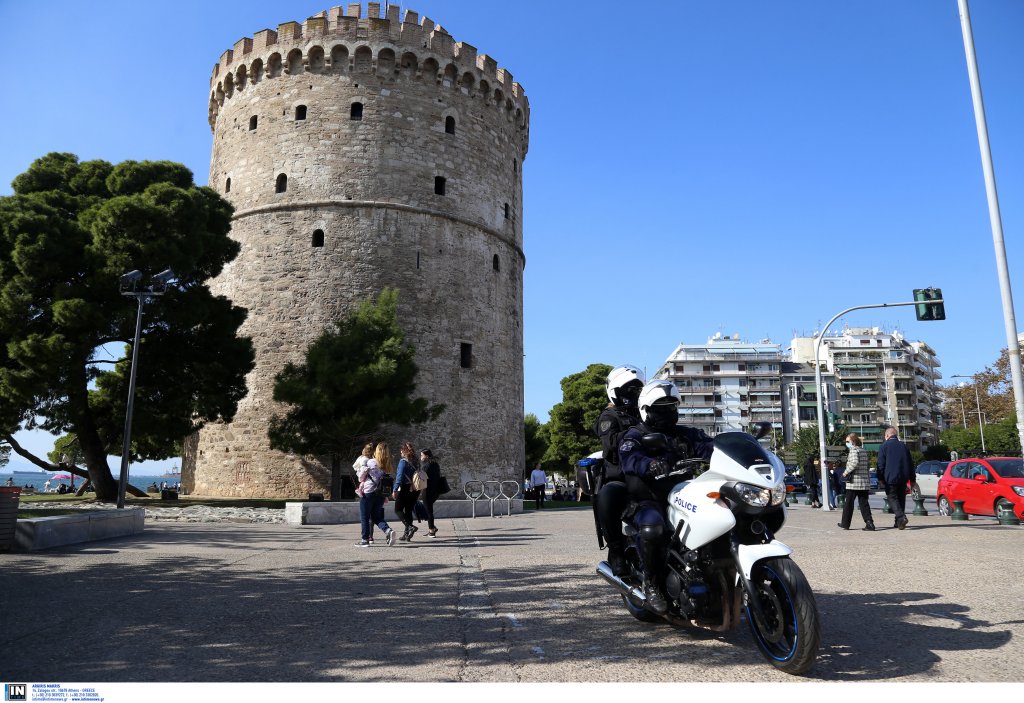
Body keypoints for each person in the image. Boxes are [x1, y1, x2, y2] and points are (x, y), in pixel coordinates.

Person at [618, 380, 714, 614]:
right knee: (653, 528)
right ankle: (652, 583)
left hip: (685, 495)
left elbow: (711, 446)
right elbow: (629, 458)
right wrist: (650, 464)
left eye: (672, 406)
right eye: (661, 408)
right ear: (646, 410)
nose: (668, 412)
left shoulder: (686, 434)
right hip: (649, 499)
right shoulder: (635, 435)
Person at [592, 365, 645, 575]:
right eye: (629, 389)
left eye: (637, 389)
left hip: (649, 473)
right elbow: (611, 442)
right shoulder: (609, 416)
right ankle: (615, 550)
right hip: (622, 475)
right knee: (608, 496)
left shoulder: (644, 413)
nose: (633, 393)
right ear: (615, 391)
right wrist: (638, 433)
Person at [355, 443, 396, 547]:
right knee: (376, 516)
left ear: (377, 451)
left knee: (365, 516)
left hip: (369, 492)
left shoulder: (371, 462)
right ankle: (388, 530)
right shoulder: (387, 465)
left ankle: (365, 540)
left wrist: (362, 470)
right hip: (381, 493)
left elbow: (360, 478)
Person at [877, 427, 916, 529]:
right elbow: (910, 463)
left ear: (887, 435)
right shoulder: (904, 446)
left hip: (890, 477)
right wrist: (912, 479)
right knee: (901, 498)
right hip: (903, 477)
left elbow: (880, 464)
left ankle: (901, 517)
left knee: (892, 498)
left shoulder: (884, 446)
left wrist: (880, 478)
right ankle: (898, 522)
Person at [837, 433, 874, 531]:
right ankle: (869, 523)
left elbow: (854, 462)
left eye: (848, 441)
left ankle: (845, 523)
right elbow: (867, 465)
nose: (846, 443)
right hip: (864, 482)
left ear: (853, 441)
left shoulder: (853, 450)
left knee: (848, 504)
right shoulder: (863, 450)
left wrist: (845, 472)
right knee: (864, 504)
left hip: (853, 482)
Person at [392, 441, 420, 541]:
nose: (400, 452)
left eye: (401, 450)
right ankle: (407, 534)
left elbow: (399, 478)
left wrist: (395, 489)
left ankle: (410, 527)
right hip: (415, 489)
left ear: (404, 451)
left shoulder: (403, 462)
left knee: (398, 510)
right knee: (408, 511)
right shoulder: (416, 461)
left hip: (405, 488)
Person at [420, 449, 442, 537]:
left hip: (427, 490)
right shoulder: (435, 464)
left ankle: (432, 531)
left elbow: (422, 478)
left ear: (426, 456)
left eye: (422, 455)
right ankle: (432, 527)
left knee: (429, 511)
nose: (421, 457)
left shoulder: (426, 466)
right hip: (435, 490)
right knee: (428, 510)